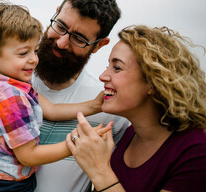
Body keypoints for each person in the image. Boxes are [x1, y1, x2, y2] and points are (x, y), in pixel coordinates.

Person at [0, 0, 130, 192]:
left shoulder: (113, 111)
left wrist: (95, 106)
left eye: (79, 38)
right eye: (60, 26)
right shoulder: (3, 82)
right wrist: (75, 143)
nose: (62, 42)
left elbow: (111, 182)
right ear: (56, 12)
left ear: (99, 45)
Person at [0, 0, 108, 192]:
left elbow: (51, 110)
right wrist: (76, 144)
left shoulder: (1, 82)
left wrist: (94, 105)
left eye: (35, 50)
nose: (34, 60)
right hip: (3, 185)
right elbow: (28, 156)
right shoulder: (11, 97)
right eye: (23, 53)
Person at [67, 25, 206, 192]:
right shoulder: (130, 135)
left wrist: (99, 170)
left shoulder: (196, 151)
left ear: (154, 82)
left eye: (117, 68)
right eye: (107, 66)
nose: (102, 76)